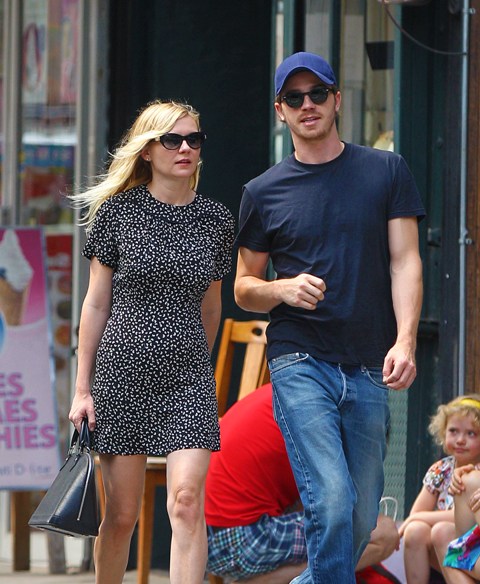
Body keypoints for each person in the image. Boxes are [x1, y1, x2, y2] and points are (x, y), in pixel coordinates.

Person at [233, 51, 425, 583]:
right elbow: (244, 288)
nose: (308, 105)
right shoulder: (262, 192)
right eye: (294, 98)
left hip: (369, 362)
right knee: (333, 501)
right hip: (299, 360)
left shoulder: (385, 170)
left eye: (317, 93)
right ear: (280, 111)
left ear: (337, 100)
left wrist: (406, 340)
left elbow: (406, 261)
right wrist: (282, 288)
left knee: (361, 519)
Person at [68, 100, 234, 584]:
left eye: (193, 139)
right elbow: (95, 305)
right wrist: (82, 389)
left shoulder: (216, 220)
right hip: (122, 375)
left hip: (188, 380)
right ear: (146, 150)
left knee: (186, 502)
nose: (185, 148)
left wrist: (197, 365)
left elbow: (211, 307)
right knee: (121, 516)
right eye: (172, 140)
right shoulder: (117, 214)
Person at [205, 383, 400, 583]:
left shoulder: (297, 387)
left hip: (203, 538)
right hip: (238, 540)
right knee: (382, 534)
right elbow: (330, 512)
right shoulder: (322, 420)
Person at [399, 394, 480, 583]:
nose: (460, 440)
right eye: (453, 431)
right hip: (444, 548)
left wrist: (415, 518)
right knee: (415, 530)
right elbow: (418, 512)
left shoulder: (475, 475)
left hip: (471, 540)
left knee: (436, 529)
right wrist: (414, 519)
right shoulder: (442, 469)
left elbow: (464, 517)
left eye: (471, 433)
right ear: (443, 433)